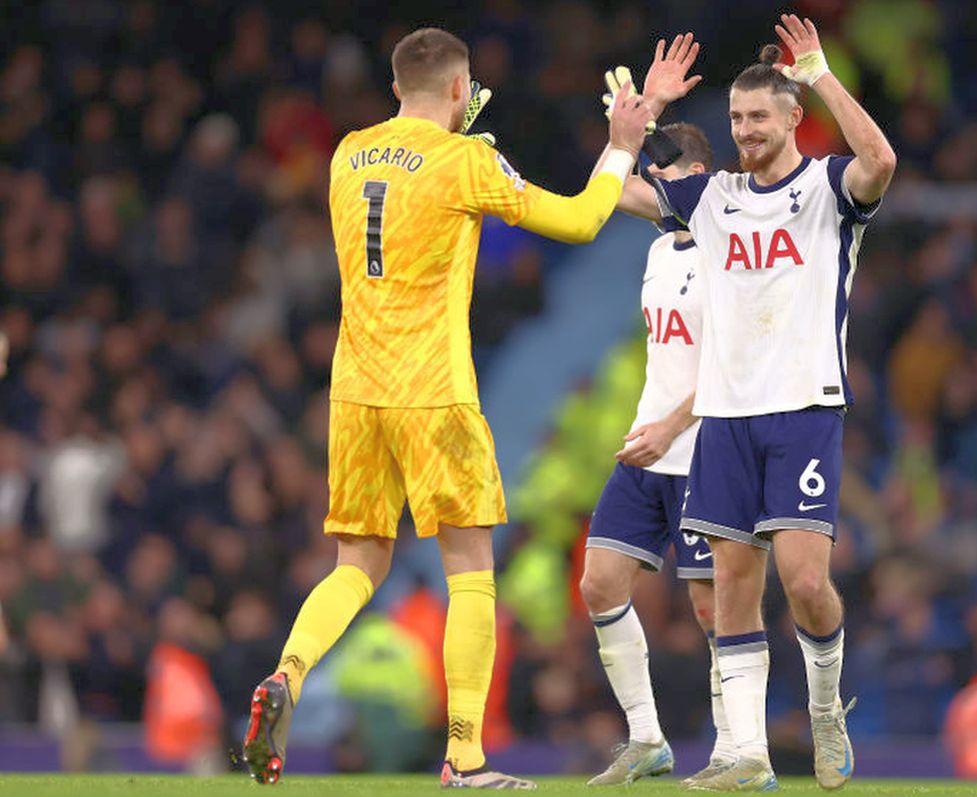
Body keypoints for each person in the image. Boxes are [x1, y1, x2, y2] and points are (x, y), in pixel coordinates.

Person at [240, 26, 656, 789]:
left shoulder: (346, 152)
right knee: (470, 572)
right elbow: (578, 221)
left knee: (358, 563)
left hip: (354, 389)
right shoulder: (465, 158)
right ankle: (465, 755)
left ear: (396, 87)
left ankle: (288, 674)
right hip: (433, 388)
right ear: (462, 90)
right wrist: (621, 144)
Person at [612, 14, 896, 791]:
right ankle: (745, 754)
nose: (745, 130)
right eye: (736, 118)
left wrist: (819, 73)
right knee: (732, 590)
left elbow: (882, 158)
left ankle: (826, 707)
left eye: (759, 117)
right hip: (727, 417)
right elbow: (621, 195)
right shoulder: (712, 196)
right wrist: (635, 120)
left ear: (793, 118)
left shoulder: (828, 188)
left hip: (804, 405)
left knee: (805, 582)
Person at [578, 123, 733, 786]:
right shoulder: (659, 252)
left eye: (668, 172)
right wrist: (628, 130)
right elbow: (602, 191)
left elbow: (737, 362)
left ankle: (736, 746)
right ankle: (647, 739)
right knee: (598, 583)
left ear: (700, 175)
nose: (654, 183)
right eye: (653, 171)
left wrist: (673, 425)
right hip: (649, 447)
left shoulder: (731, 248)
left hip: (702, 446)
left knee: (712, 608)